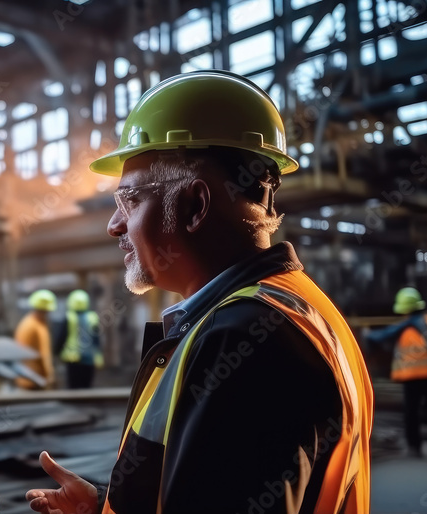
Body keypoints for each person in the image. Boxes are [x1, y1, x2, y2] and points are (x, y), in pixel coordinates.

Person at [26, 70, 374, 514]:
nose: (114, 225)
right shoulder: (297, 307)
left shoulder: (244, 339)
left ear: (195, 205)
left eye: (129, 201)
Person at [366, 287, 427, 459]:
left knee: (412, 413)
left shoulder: (407, 326)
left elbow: (388, 342)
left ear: (404, 309)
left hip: (412, 377)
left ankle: (414, 448)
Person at [56, 290, 102, 389]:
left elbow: (61, 337)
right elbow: (97, 339)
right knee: (86, 386)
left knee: (74, 387)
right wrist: (98, 355)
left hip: (72, 358)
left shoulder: (69, 317)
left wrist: (56, 352)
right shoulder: (93, 317)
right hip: (89, 358)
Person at [15, 290, 57, 389]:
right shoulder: (39, 327)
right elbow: (45, 355)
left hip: (23, 377)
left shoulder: (26, 321)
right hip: (37, 380)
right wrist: (50, 377)